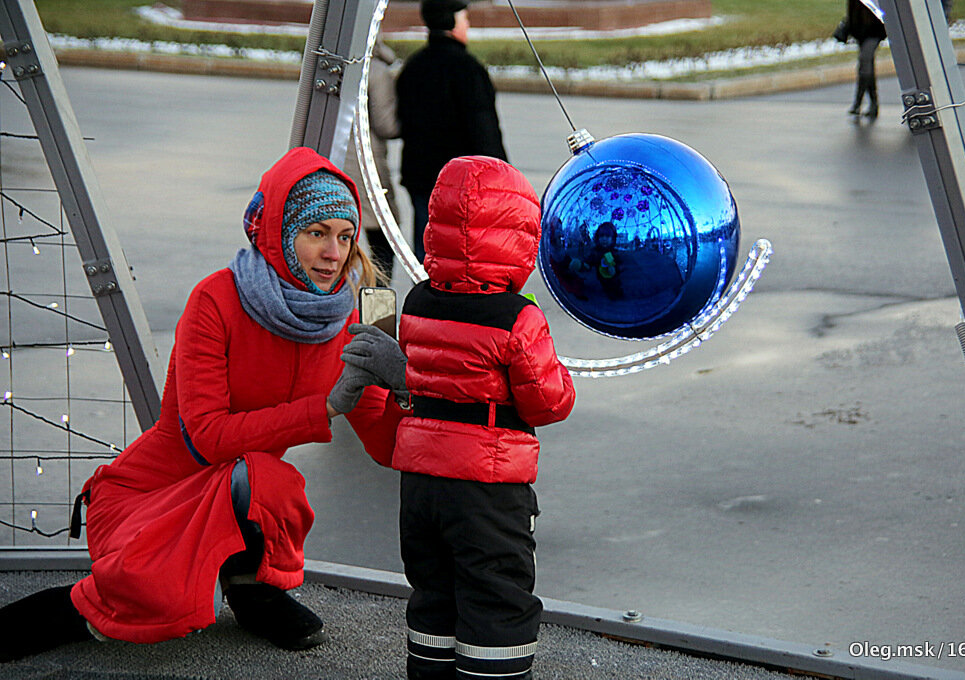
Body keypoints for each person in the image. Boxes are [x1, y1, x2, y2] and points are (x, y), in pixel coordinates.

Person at [0, 146, 410, 660]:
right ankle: (83, 611)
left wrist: (406, 387)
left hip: (238, 489)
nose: (334, 253)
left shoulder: (350, 319)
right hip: (151, 494)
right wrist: (324, 407)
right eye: (316, 233)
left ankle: (250, 586)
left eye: (346, 236)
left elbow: (387, 446)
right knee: (152, 600)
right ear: (279, 232)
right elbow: (207, 437)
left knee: (267, 479)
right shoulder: (216, 299)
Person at [343, 155, 576, 680]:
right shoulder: (519, 317)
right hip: (487, 486)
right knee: (496, 597)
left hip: (421, 483)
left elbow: (419, 375)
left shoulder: (419, 303)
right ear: (520, 237)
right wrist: (558, 369)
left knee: (434, 593)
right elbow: (547, 402)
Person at [396, 0, 507, 263]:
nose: (467, 24)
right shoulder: (468, 69)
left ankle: (425, 300)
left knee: (428, 252)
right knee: (464, 254)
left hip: (421, 177)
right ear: (451, 22)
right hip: (463, 182)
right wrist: (501, 174)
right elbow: (484, 129)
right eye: (464, 18)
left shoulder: (412, 67)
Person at [344, 41, 401, 283]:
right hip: (367, 164)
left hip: (337, 160)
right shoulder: (376, 71)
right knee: (383, 239)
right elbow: (386, 125)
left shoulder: (339, 63)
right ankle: (377, 307)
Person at [844, 0, 887, 119]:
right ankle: (872, 104)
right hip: (860, 32)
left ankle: (858, 103)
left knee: (865, 63)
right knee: (866, 67)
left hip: (874, 32)